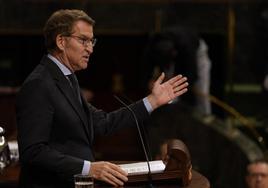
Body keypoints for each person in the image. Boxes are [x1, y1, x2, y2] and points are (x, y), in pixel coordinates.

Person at [16, 9, 188, 188]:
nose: (90, 49)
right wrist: (88, 168)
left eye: (92, 41)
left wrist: (152, 101)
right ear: (61, 41)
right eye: (83, 40)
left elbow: (103, 123)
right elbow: (32, 151)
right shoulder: (39, 84)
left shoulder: (68, 78)